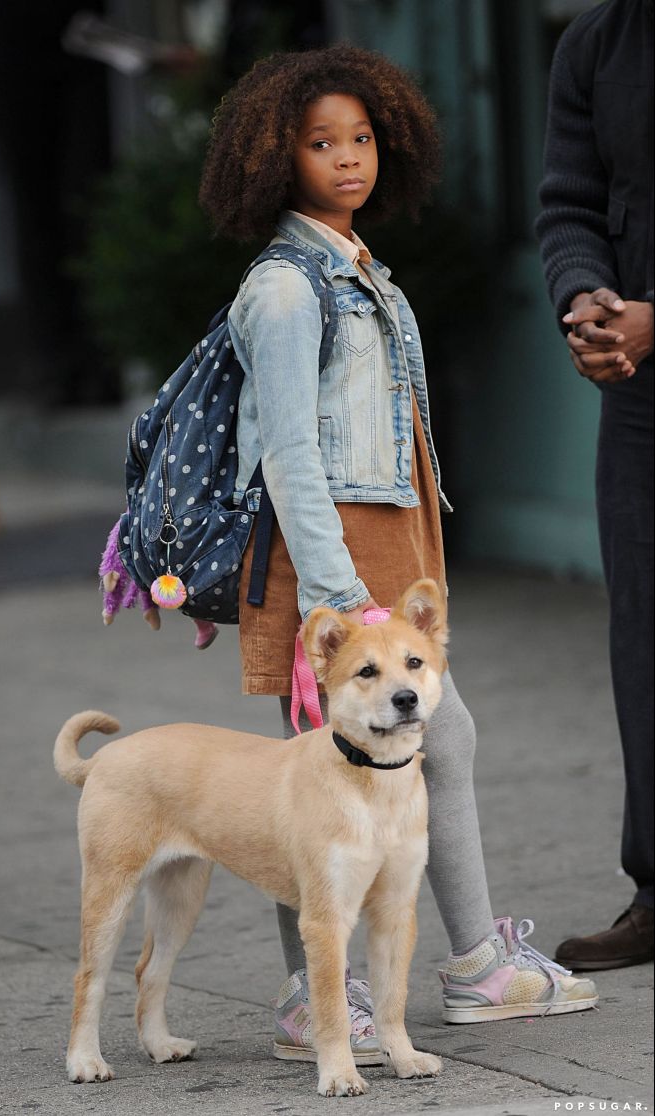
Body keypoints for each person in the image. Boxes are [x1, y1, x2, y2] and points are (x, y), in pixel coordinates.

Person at [198, 45, 598, 1058]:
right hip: (332, 561)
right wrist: (338, 607)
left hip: (381, 542)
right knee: (334, 773)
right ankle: (383, 985)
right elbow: (288, 451)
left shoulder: (353, 266)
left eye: (362, 139)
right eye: (320, 142)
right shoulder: (289, 289)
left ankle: (445, 970)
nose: (348, 159)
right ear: (270, 156)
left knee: (419, 749)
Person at [536, 0, 653, 969]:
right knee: (645, 637)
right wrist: (587, 300)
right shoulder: (592, 44)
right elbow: (568, 202)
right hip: (640, 395)